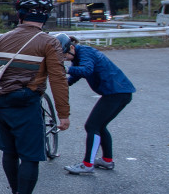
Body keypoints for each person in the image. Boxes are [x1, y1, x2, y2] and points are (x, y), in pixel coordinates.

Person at [0, 0, 70, 194]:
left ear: (20, 15)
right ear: (45, 17)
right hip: (25, 102)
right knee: (31, 156)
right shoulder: (48, 42)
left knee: (10, 152)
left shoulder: (1, 39)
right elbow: (58, 79)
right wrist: (63, 114)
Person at [57, 34, 136, 175]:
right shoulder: (78, 55)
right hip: (118, 92)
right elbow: (75, 76)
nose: (64, 59)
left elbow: (87, 70)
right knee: (100, 126)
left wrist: (64, 69)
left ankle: (87, 164)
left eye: (64, 56)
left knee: (92, 126)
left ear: (71, 47)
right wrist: (61, 83)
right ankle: (107, 160)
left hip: (117, 93)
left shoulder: (86, 52)